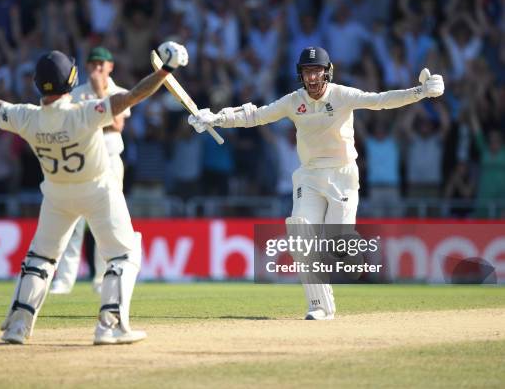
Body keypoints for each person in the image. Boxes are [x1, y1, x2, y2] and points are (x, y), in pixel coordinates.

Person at [0, 41, 188, 343]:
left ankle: (18, 327)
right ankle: (108, 326)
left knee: (41, 259)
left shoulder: (27, 116)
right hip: (98, 189)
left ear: (37, 83)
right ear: (72, 80)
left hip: (57, 195)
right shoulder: (85, 113)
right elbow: (134, 95)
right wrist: (167, 69)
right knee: (124, 255)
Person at [188, 46, 444, 320]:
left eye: (316, 71)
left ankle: (348, 247)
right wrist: (216, 117)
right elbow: (256, 115)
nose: (311, 78)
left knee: (336, 244)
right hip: (309, 175)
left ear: (327, 72)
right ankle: (320, 305)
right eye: (307, 72)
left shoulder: (343, 95)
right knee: (299, 232)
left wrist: (421, 92)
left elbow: (381, 100)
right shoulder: (294, 101)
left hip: (343, 175)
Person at [50, 47, 131, 295]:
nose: (97, 69)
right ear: (86, 66)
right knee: (74, 223)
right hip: (81, 162)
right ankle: (64, 281)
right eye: (93, 64)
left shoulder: (118, 93)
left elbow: (116, 125)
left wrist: (98, 94)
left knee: (106, 221)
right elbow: (70, 128)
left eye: (101, 64)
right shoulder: (75, 94)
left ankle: (101, 278)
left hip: (109, 160)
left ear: (110, 67)